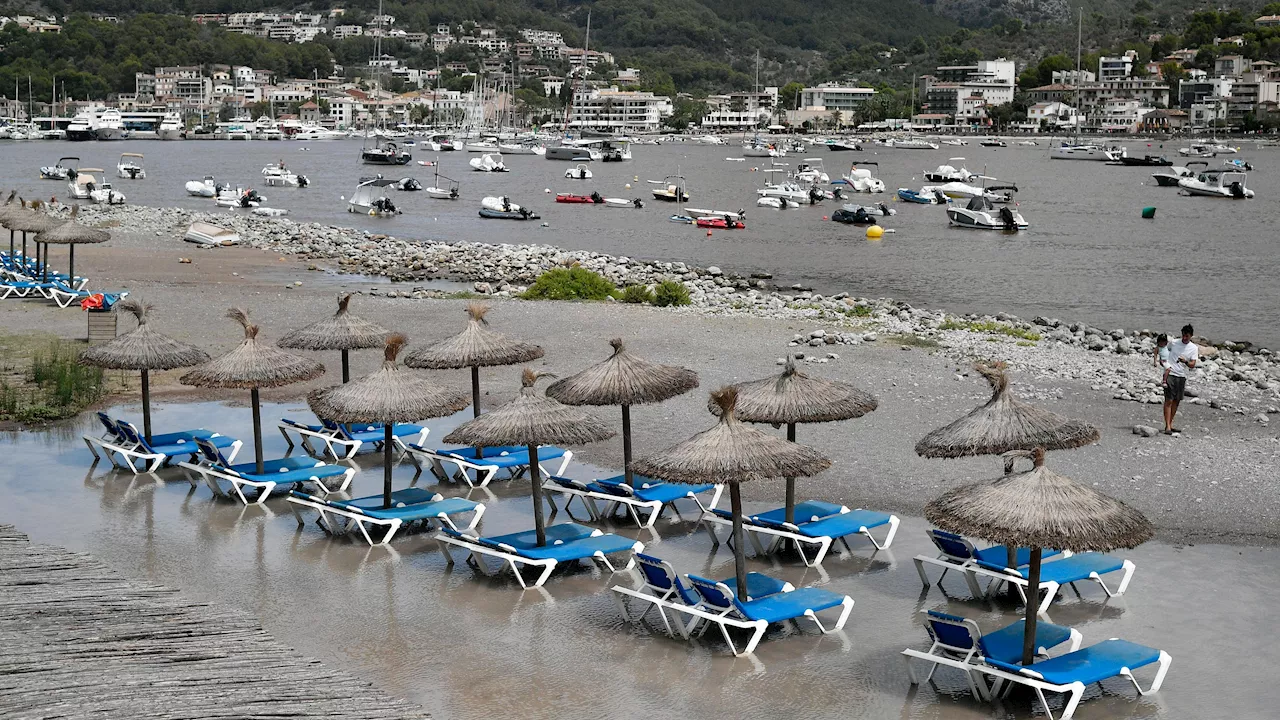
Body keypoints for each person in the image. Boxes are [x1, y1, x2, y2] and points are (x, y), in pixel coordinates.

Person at [1162, 324, 1199, 435]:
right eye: (1183, 335)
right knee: (1168, 400)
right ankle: (1168, 426)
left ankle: (1170, 423)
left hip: (1181, 376)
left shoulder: (1194, 348)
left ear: (1191, 336)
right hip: (1170, 374)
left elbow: (1192, 364)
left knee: (1176, 401)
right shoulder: (1174, 343)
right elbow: (1164, 350)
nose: (1184, 338)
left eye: (1186, 336)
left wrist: (1185, 362)